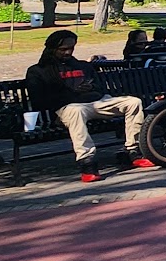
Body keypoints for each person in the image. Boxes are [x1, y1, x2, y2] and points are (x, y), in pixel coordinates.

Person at [25, 29, 153, 181]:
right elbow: (38, 100)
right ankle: (87, 162)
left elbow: (100, 88)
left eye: (71, 48)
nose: (68, 52)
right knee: (76, 111)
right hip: (67, 107)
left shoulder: (82, 66)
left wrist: (91, 88)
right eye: (63, 49)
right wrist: (72, 93)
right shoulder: (38, 71)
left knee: (133, 102)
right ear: (52, 49)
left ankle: (134, 150)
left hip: (96, 102)